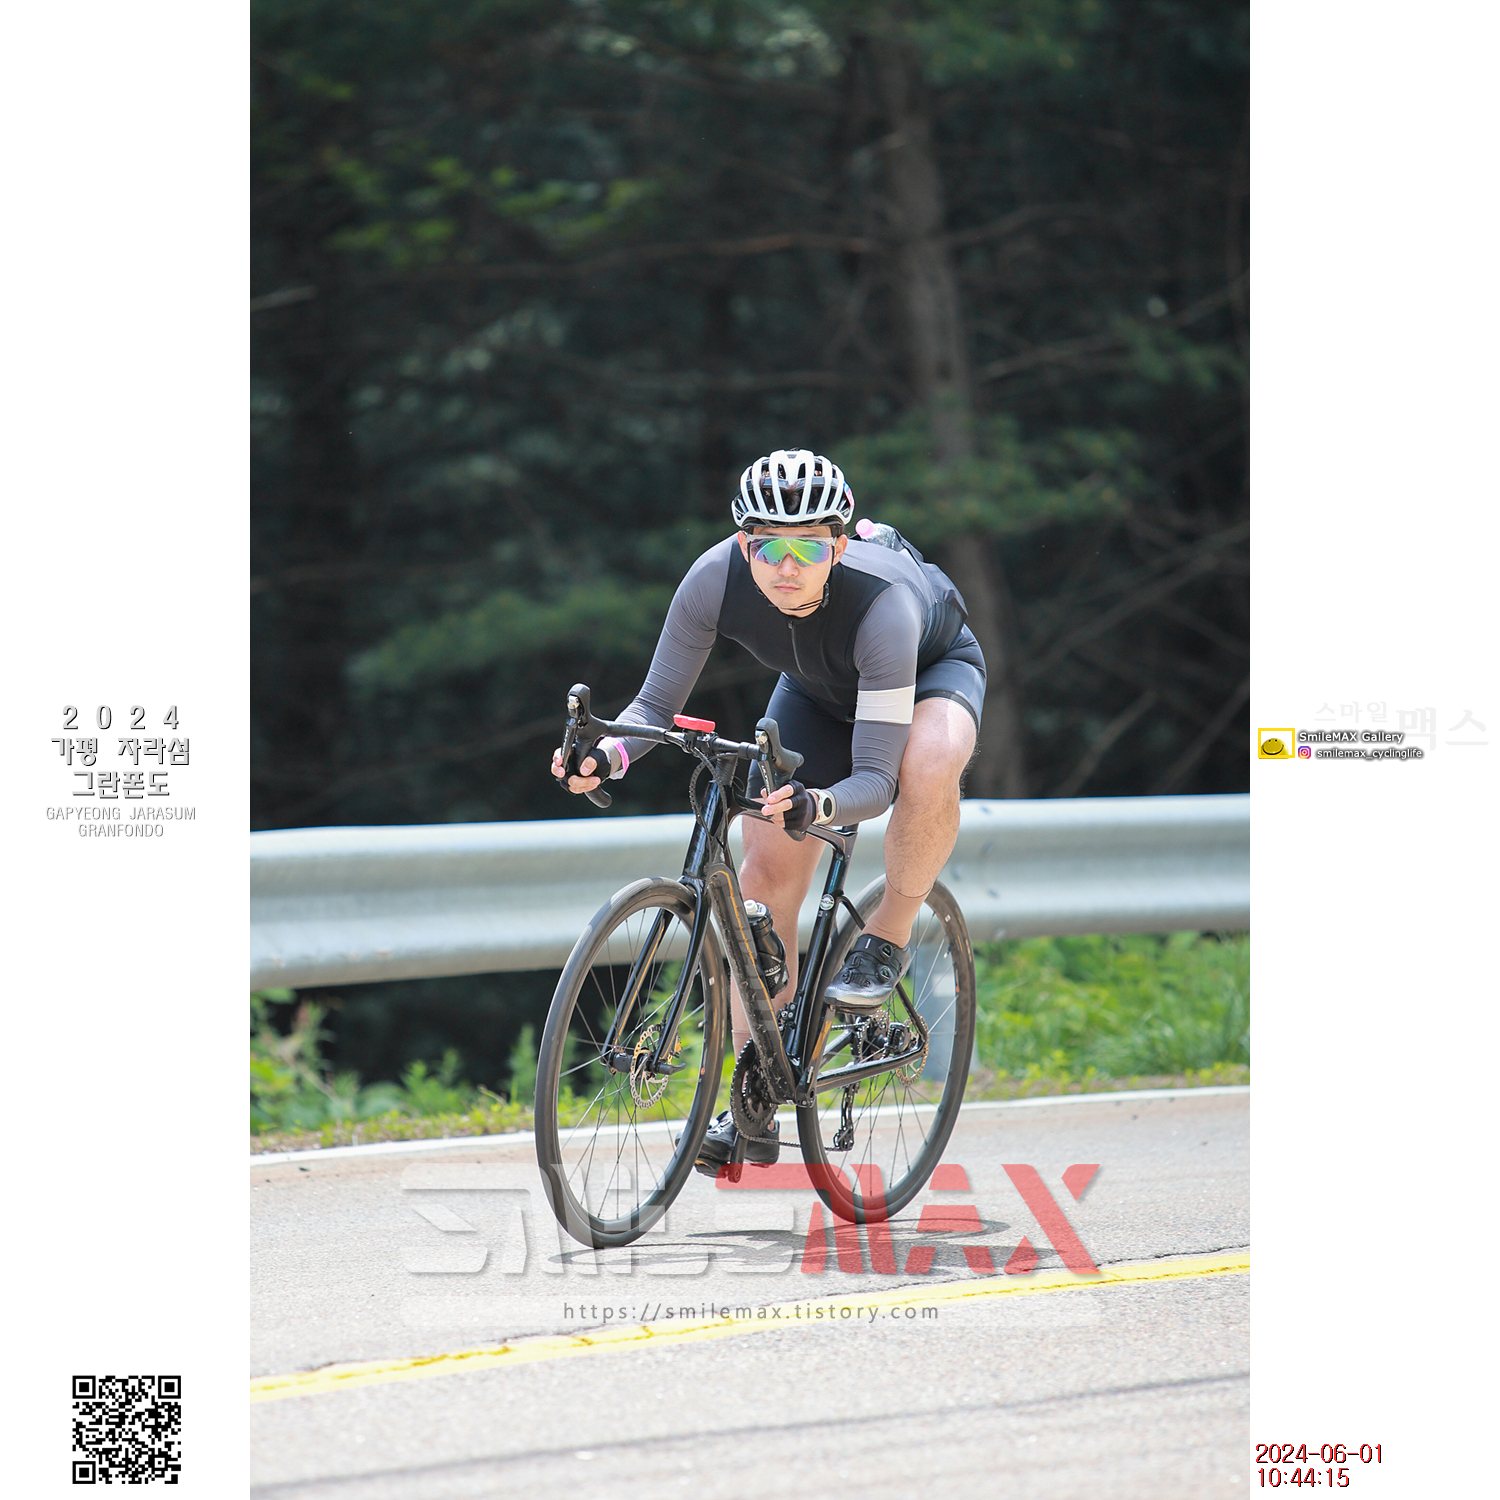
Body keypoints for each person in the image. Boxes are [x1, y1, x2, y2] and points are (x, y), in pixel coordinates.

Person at [551, 449, 985, 1172]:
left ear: (837, 547)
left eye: (807, 548)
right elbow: (654, 707)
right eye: (767, 547)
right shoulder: (712, 579)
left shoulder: (883, 603)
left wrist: (819, 802)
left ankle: (889, 932)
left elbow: (877, 779)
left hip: (928, 675)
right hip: (817, 691)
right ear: (743, 543)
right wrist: (608, 755)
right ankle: (754, 1089)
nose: (786, 566)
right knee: (763, 873)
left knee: (928, 762)